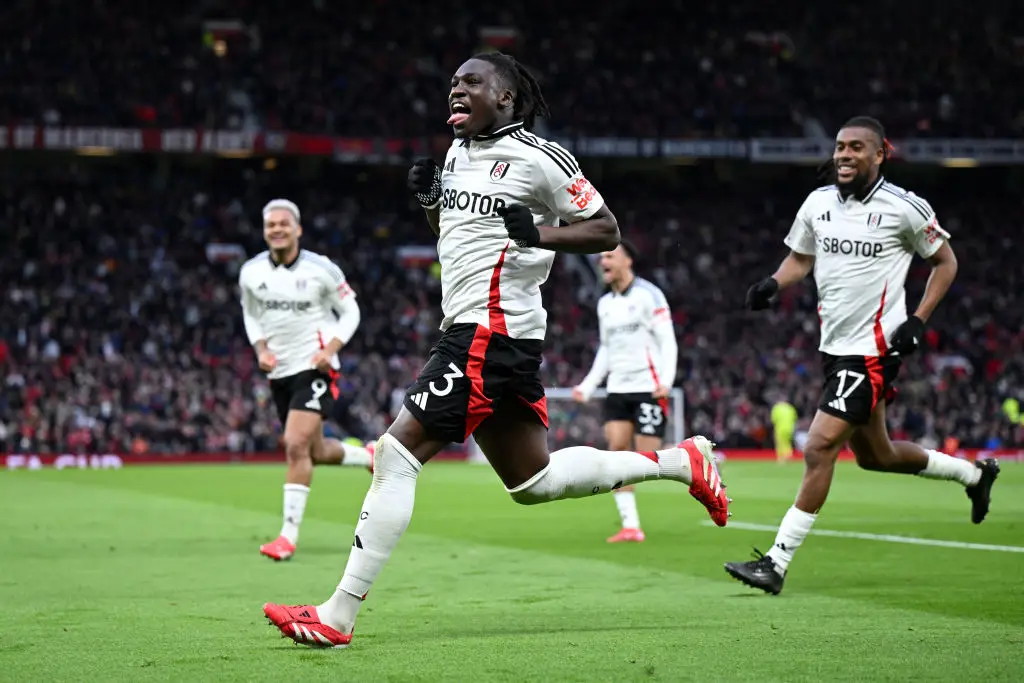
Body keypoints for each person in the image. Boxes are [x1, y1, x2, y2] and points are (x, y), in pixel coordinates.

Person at [262, 52, 729, 648]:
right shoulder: (457, 155)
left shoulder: (541, 158)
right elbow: (460, 236)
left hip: (489, 331)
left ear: (505, 98)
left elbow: (606, 228)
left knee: (395, 455)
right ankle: (679, 462)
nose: (456, 90)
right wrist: (431, 201)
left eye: (471, 83)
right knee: (534, 481)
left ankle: (338, 615)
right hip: (481, 331)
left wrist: (542, 233)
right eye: (453, 83)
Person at [723, 116, 999, 595]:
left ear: (878, 155)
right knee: (877, 455)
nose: (844, 155)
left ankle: (776, 562)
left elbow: (945, 261)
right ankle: (974, 474)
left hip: (872, 352)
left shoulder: (904, 208)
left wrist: (918, 319)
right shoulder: (818, 203)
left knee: (818, 447)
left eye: (855, 148)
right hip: (835, 349)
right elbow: (802, 257)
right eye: (839, 147)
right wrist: (775, 282)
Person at [239, 199, 373, 562]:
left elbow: (351, 311)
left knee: (294, 444)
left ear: (297, 229)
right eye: (271, 225)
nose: (277, 230)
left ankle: (287, 536)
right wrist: (261, 349)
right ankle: (369, 455)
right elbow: (251, 316)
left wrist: (330, 349)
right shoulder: (251, 272)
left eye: (284, 224)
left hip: (315, 367)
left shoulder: (321, 269)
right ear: (265, 231)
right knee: (314, 451)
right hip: (278, 371)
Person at [573, 241, 678, 543]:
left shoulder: (649, 295)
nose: (603, 261)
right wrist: (589, 384)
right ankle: (631, 525)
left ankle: (695, 460)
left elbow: (667, 340)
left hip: (648, 386)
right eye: (601, 256)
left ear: (627, 260)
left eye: (609, 255)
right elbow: (606, 348)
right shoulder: (604, 303)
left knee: (648, 457)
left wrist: (666, 380)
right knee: (616, 453)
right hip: (618, 388)